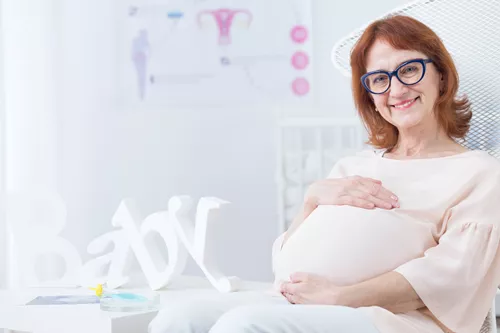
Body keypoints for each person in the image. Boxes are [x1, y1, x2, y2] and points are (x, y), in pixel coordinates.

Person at [149, 15, 500, 333]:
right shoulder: (354, 165)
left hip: (390, 319)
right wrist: (311, 200)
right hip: (299, 302)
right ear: (371, 96)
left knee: (244, 326)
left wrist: (342, 296)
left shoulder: (478, 172)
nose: (396, 90)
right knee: (177, 319)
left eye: (409, 70)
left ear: (441, 74)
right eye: (380, 78)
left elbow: (453, 276)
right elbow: (284, 263)